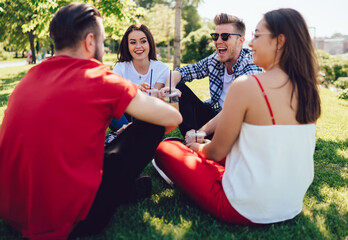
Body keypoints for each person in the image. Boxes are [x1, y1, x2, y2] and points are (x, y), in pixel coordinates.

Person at [0, 3, 182, 239]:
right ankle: (123, 190)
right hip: (68, 218)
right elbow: (172, 118)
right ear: (89, 42)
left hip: (11, 210)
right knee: (150, 127)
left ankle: (126, 189)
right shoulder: (98, 77)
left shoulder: (29, 78)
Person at [154, 8, 321, 226]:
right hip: (292, 204)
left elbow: (215, 152)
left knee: (165, 149)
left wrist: (198, 148)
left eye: (257, 36)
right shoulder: (308, 90)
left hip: (243, 208)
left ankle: (187, 153)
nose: (251, 43)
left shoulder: (248, 84)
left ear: (280, 41)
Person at [160, 13, 262, 137]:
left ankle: (197, 138)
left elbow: (232, 112)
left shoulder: (251, 65)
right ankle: (191, 139)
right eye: (215, 36)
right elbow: (180, 72)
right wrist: (170, 87)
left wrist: (202, 131)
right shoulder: (215, 60)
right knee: (179, 87)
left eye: (225, 37)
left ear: (240, 40)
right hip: (214, 118)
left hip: (237, 128)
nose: (218, 42)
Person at [110, 24, 169, 128]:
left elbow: (154, 100)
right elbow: (114, 93)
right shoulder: (120, 67)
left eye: (143, 41)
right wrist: (135, 90)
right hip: (125, 115)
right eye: (133, 42)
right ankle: (126, 132)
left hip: (149, 115)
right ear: (127, 46)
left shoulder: (162, 69)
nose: (138, 46)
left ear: (149, 43)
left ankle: (129, 135)